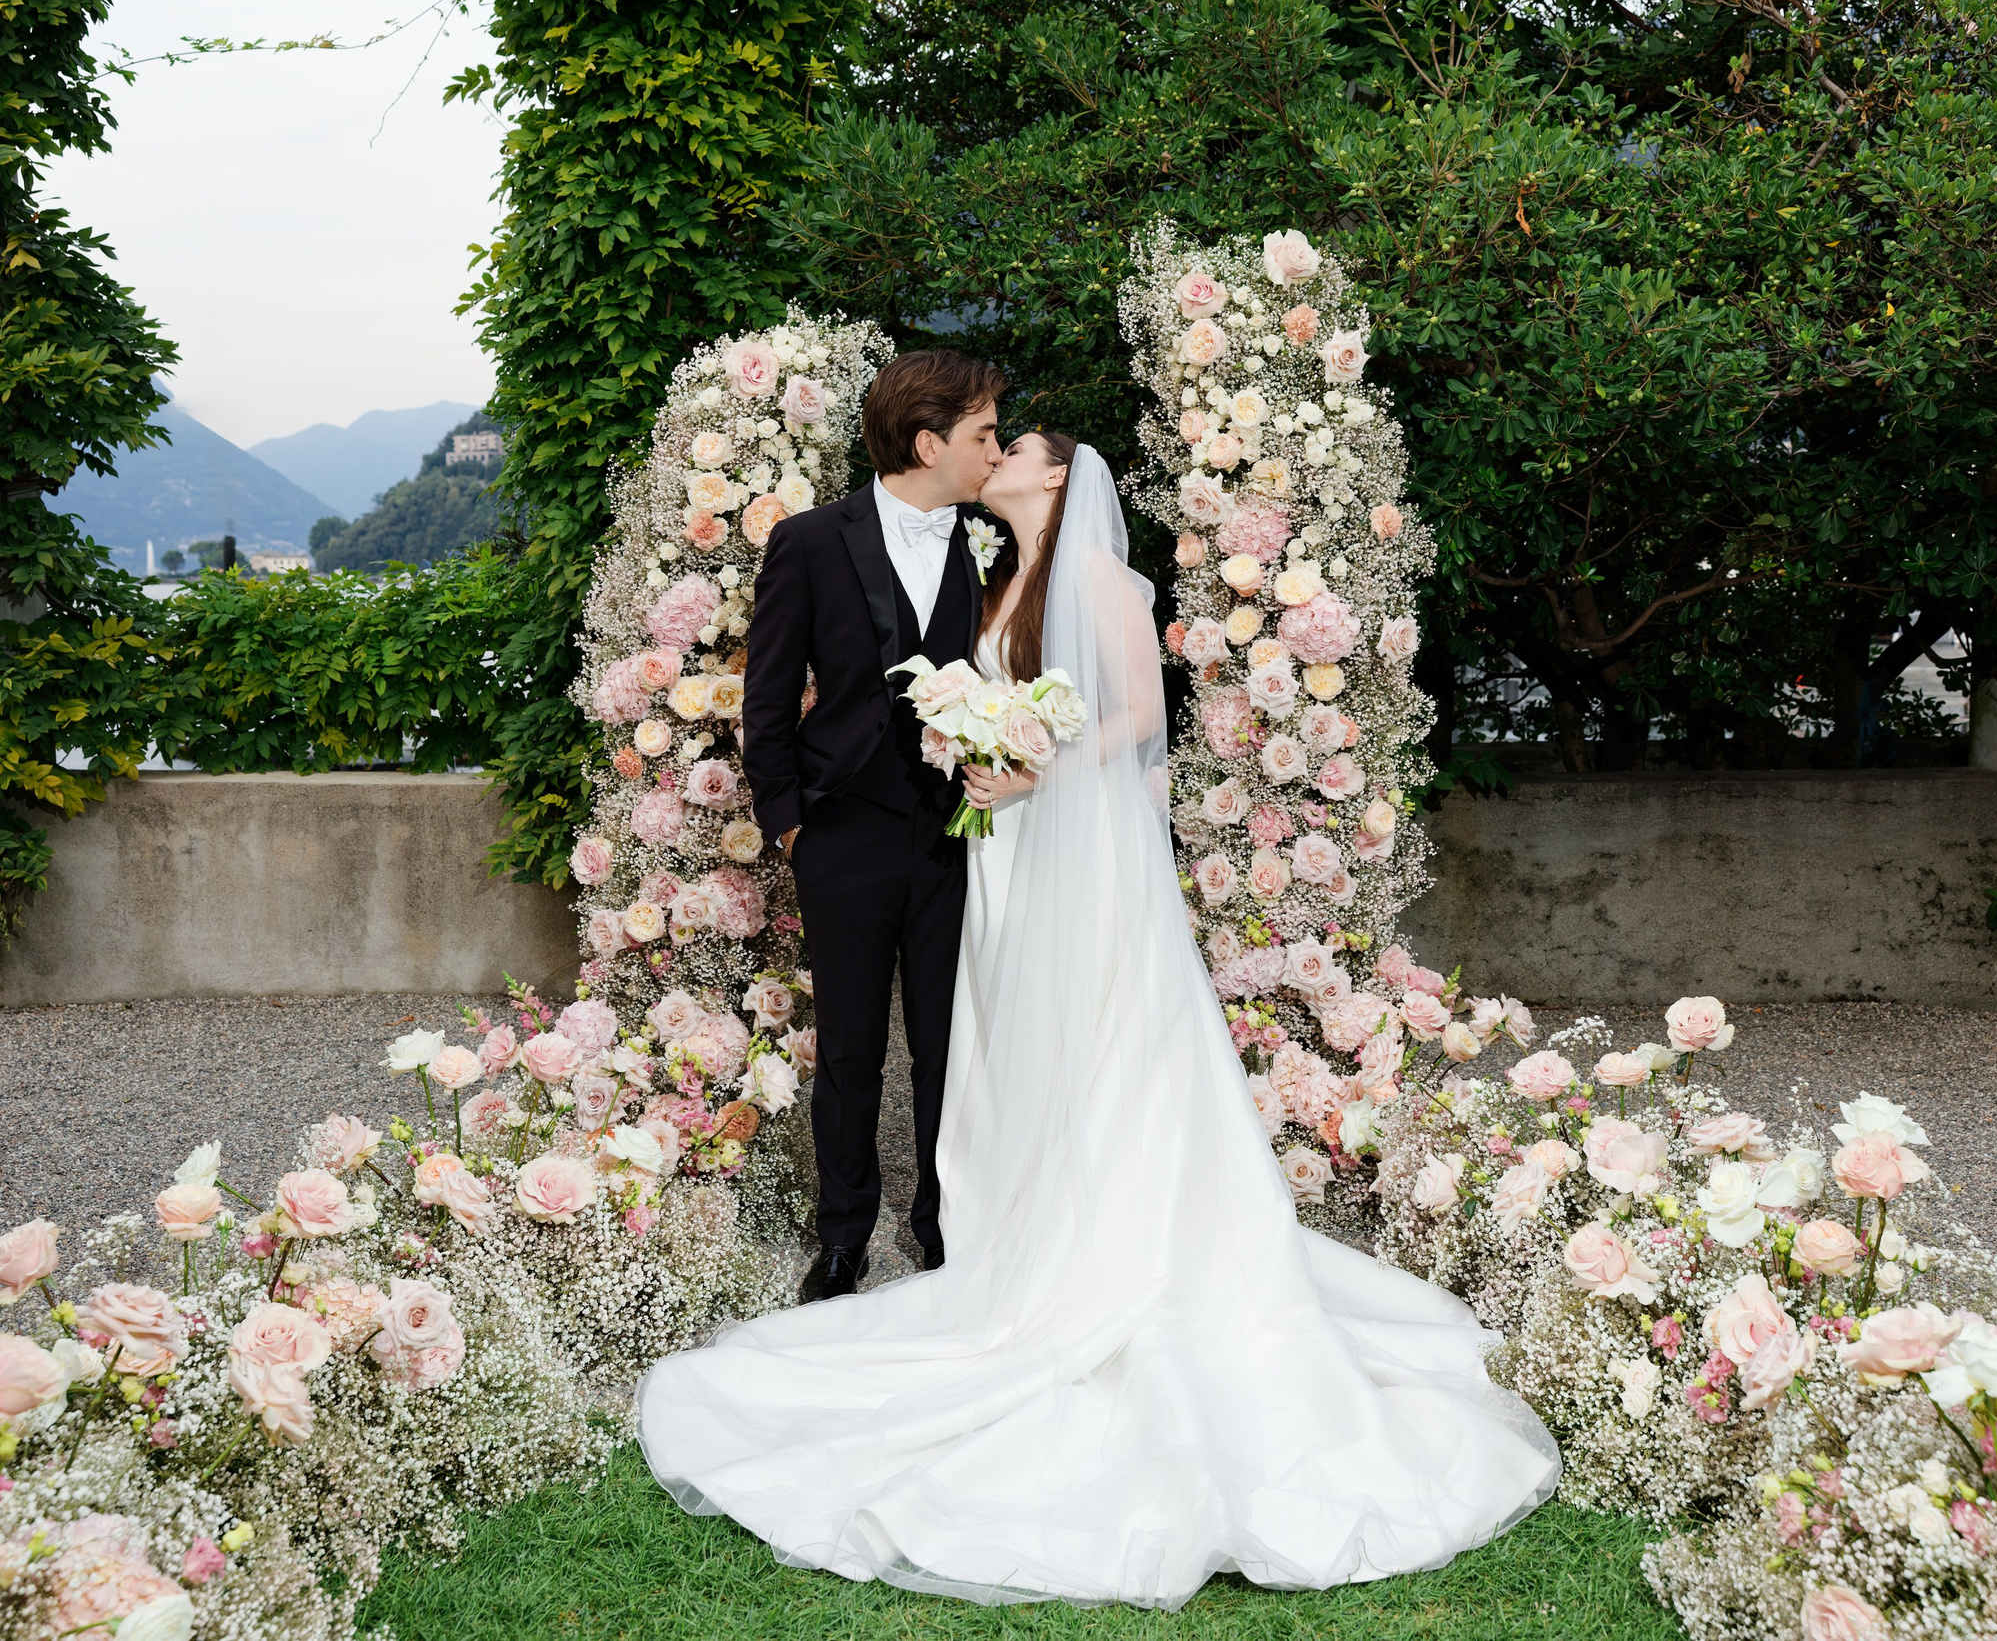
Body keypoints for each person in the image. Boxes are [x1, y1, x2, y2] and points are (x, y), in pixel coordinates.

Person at [640, 425, 1562, 1609]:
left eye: (1015, 443)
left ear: (1059, 479)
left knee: (1104, 1047)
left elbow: (1135, 713)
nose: (1002, 450)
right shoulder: (997, 572)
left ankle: (1099, 1248)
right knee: (1012, 1050)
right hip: (1007, 855)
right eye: (994, 435)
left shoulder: (1103, 580)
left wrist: (1035, 762)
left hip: (1070, 847)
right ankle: (1010, 1228)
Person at [739, 349, 1007, 1303]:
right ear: (930, 440)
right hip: (842, 833)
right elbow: (765, 695)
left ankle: (945, 1226)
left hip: (957, 835)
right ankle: (844, 1237)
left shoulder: (993, 541)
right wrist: (790, 827)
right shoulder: (811, 541)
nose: (996, 449)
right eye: (983, 433)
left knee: (951, 1042)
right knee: (849, 1047)